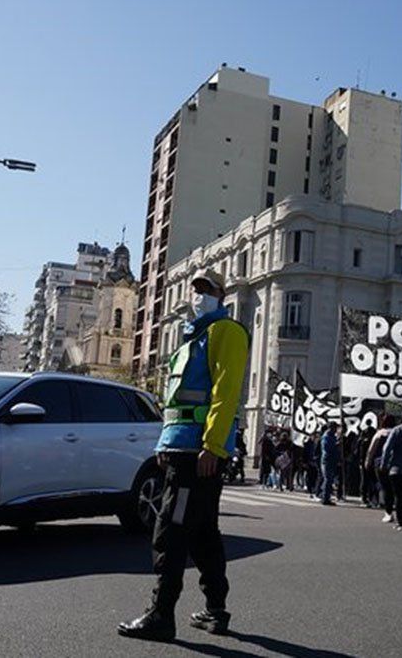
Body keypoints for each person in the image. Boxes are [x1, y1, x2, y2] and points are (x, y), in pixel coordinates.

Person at [119, 269, 249, 642]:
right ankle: (215, 610)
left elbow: (226, 393)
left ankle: (162, 614)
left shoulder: (226, 331)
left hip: (198, 453)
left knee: (172, 529)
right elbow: (174, 401)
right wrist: (163, 442)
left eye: (206, 288)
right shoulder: (190, 338)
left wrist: (213, 445)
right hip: (180, 448)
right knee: (203, 531)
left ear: (221, 294)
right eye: (194, 288)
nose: (198, 294)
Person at [367, 414, 396, 523]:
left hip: (380, 462)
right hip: (396, 463)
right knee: (395, 488)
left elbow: (372, 449)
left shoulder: (380, 433)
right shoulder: (396, 432)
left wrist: (368, 461)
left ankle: (388, 512)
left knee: (386, 487)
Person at [320, 423, 341, 506]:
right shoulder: (327, 436)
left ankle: (325, 496)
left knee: (330, 479)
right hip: (327, 460)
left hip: (332, 460)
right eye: (335, 427)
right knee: (328, 479)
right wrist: (336, 445)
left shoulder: (332, 436)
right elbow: (327, 448)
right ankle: (325, 497)